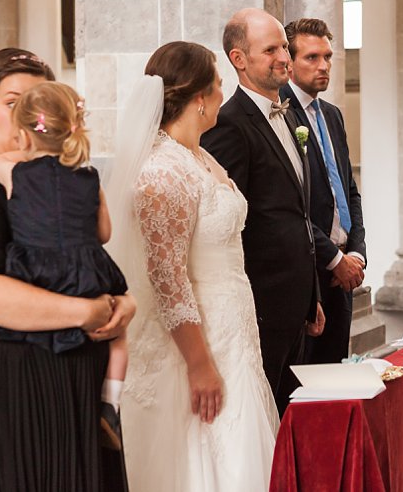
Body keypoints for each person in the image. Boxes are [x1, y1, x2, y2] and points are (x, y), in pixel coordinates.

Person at [0, 48, 134, 491]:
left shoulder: (67, 180)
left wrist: (124, 303)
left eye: (37, 102)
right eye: (12, 103)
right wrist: (85, 312)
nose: (28, 117)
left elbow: (90, 254)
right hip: (17, 385)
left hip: (76, 378)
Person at [109, 42, 278, 491]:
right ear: (200, 98)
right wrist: (199, 364)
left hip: (233, 326)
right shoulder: (164, 171)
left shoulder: (198, 157)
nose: (224, 91)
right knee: (207, 450)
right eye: (219, 83)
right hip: (200, 339)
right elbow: (168, 278)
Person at [200, 8, 323, 415]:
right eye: (270, 49)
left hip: (297, 300)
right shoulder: (230, 125)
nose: (284, 57)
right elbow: (231, 224)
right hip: (261, 305)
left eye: (284, 47)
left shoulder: (287, 115)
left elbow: (298, 214)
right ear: (239, 59)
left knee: (289, 417)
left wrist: (311, 296)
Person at [279, 17, 366, 363]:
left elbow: (348, 189)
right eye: (312, 58)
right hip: (309, 270)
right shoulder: (281, 114)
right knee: (308, 378)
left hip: (343, 270)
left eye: (328, 57)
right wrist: (333, 259)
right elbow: (290, 203)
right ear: (289, 63)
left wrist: (356, 251)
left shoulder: (332, 115)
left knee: (336, 372)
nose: (324, 66)